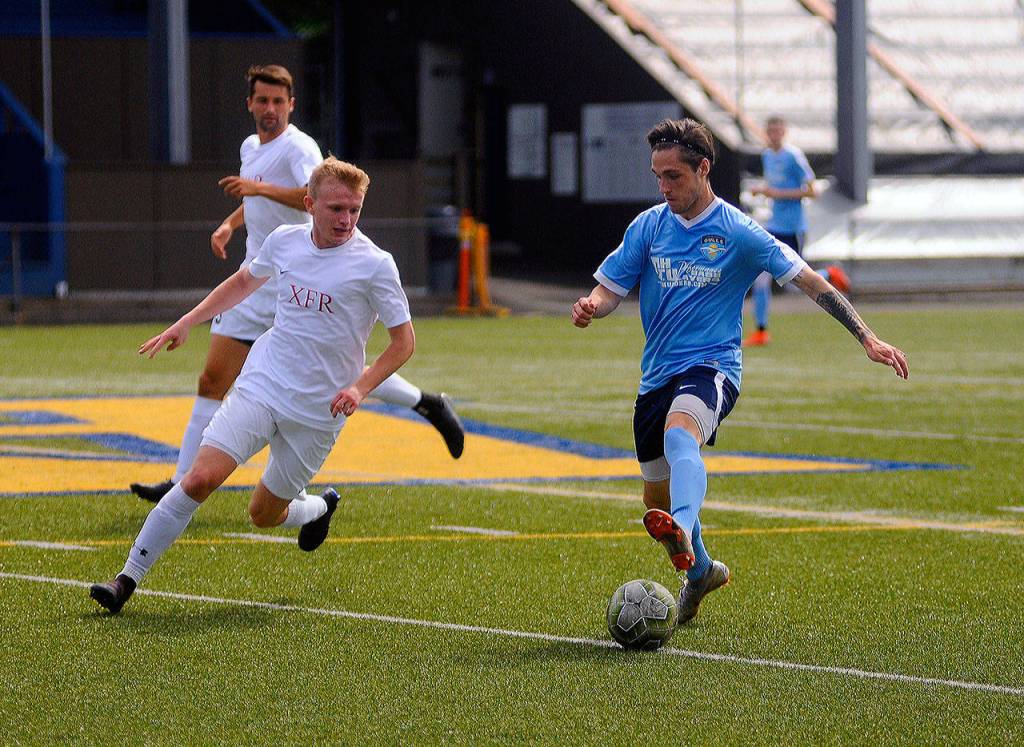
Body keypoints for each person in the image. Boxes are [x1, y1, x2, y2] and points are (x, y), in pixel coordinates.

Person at [572, 118, 908, 625]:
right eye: (657, 176)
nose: (663, 188)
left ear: (703, 168)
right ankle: (701, 568)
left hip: (712, 368)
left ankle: (683, 528)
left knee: (681, 434)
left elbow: (812, 282)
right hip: (654, 376)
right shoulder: (648, 226)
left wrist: (867, 336)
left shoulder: (741, 233)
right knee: (653, 498)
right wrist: (591, 306)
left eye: (673, 177)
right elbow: (611, 287)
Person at [91, 157, 414, 614]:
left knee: (263, 514)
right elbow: (244, 282)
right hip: (263, 385)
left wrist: (359, 388)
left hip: (319, 412)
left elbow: (403, 343)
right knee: (199, 479)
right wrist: (188, 321)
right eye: (336, 209)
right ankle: (125, 579)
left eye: (355, 210)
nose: (346, 220)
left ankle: (318, 508)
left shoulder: (376, 265)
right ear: (309, 204)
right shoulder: (285, 241)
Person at [130, 64, 463, 504]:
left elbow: (311, 198)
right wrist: (230, 223)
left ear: (292, 105)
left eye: (278, 101)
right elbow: (258, 195)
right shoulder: (252, 146)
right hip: (259, 274)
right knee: (212, 378)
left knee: (332, 362)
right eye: (262, 100)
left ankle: (424, 402)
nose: (270, 109)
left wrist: (258, 190)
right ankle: (181, 479)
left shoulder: (300, 148)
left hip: (301, 277)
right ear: (249, 104)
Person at [745, 115, 849, 346]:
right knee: (761, 279)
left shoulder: (793, 156)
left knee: (796, 279)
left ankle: (829, 274)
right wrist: (764, 191)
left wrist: (775, 194)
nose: (774, 134)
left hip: (793, 227)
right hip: (774, 227)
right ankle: (761, 331)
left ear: (784, 132)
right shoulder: (767, 155)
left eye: (777, 130)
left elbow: (813, 191)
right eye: (770, 130)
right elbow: (774, 187)